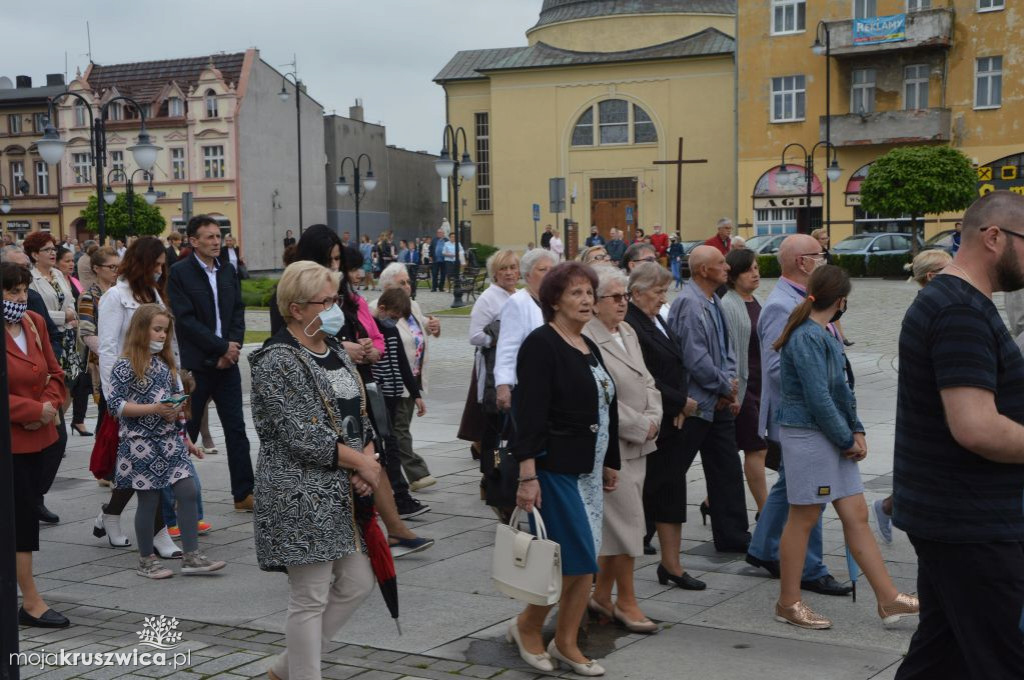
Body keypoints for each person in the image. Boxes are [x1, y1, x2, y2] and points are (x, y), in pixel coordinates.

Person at [893, 191, 1024, 678]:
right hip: (974, 524)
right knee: (1005, 661)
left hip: (953, 516)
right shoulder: (960, 310)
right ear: (994, 237)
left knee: (940, 657)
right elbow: (975, 426)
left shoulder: (953, 300)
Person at [250, 261, 379, 680]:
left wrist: (368, 459)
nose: (334, 307)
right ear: (297, 308)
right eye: (325, 301)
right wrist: (362, 464)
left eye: (335, 299)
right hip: (300, 494)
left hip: (341, 492)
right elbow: (302, 436)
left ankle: (285, 670)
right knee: (309, 597)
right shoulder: (276, 360)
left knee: (358, 582)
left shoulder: (335, 349)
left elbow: (359, 412)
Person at [773, 265, 917, 630]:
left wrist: (857, 430)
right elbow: (818, 396)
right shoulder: (808, 336)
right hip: (810, 437)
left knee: (856, 515)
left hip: (827, 435)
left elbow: (840, 391)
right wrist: (846, 438)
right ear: (840, 300)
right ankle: (788, 602)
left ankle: (888, 598)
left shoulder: (822, 331)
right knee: (803, 518)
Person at [510, 261, 619, 676]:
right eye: (576, 293)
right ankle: (532, 628)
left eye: (590, 292)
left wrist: (610, 463)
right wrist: (527, 474)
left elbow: (605, 407)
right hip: (555, 469)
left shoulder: (586, 343)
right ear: (553, 300)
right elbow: (529, 415)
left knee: (581, 559)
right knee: (576, 560)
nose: (587, 299)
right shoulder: (542, 343)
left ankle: (561, 639)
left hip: (589, 471)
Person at [744, 234, 851, 597]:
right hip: (799, 417)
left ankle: (762, 549)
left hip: (810, 412)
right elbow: (776, 368)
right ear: (803, 263)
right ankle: (810, 568)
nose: (824, 260)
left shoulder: (806, 299)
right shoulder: (781, 305)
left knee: (792, 486)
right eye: (819, 255)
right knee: (812, 489)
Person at [107, 304, 225, 578]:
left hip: (169, 441)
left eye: (165, 331)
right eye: (157, 329)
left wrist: (182, 431)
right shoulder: (125, 366)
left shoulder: (165, 365)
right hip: (141, 444)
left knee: (188, 492)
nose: (162, 336)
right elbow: (116, 405)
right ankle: (146, 560)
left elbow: (177, 403)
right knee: (149, 502)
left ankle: (192, 557)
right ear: (141, 330)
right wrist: (155, 409)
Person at [584, 267, 663, 632]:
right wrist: (638, 424)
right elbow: (600, 397)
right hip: (613, 448)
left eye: (625, 296)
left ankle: (602, 595)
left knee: (621, 528)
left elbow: (647, 380)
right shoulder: (586, 337)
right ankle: (626, 602)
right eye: (614, 297)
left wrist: (654, 417)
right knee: (628, 527)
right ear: (595, 303)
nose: (622, 303)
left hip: (641, 444)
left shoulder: (627, 330)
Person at [96, 237, 183, 556]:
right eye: (156, 264)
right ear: (140, 263)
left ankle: (118, 517)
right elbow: (107, 349)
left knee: (147, 467)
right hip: (130, 395)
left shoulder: (156, 294)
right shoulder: (115, 297)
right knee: (141, 467)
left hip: (160, 390)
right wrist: (112, 399)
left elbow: (169, 344)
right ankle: (149, 529)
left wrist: (178, 390)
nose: (160, 271)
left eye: (163, 265)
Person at [167, 215, 254, 512]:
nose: (216, 242)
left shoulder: (227, 271)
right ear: (193, 241)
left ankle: (243, 493)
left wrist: (233, 346)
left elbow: (238, 312)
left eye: (218, 236)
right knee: (187, 430)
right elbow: (186, 320)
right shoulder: (180, 273)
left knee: (237, 431)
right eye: (209, 237)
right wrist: (219, 348)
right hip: (198, 365)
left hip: (227, 364)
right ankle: (176, 495)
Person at [667, 246, 750, 552]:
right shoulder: (688, 303)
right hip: (697, 404)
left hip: (718, 400)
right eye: (720, 263)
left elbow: (727, 349)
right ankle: (645, 531)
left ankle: (734, 537)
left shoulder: (714, 299)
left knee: (727, 469)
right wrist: (722, 387)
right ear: (703, 270)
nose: (727, 267)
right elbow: (694, 357)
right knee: (673, 468)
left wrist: (728, 387)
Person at [870, 249, 953, 544]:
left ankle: (889, 507)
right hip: (930, 406)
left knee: (926, 469)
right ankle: (889, 507)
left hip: (932, 405)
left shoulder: (935, 304)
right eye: (949, 267)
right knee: (927, 468)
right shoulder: (929, 309)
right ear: (932, 277)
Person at [4, 261, 70, 629]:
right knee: (18, 517)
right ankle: (30, 600)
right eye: (10, 291)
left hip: (35, 437)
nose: (18, 297)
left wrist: (48, 407)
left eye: (22, 290)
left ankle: (29, 600)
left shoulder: (33, 322)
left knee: (26, 516)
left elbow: (55, 373)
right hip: (10, 440)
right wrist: (29, 409)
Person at [625, 263, 704, 570]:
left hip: (672, 419)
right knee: (653, 491)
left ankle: (672, 565)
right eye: (658, 291)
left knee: (671, 490)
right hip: (654, 419)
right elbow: (644, 377)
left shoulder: (656, 318)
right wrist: (680, 403)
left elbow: (677, 363)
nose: (662, 298)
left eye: (664, 291)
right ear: (636, 293)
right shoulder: (632, 324)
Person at [24, 232, 79, 524]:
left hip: (63, 346)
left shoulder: (58, 274)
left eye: (53, 248)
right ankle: (29, 498)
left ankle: (35, 496)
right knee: (50, 437)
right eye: (46, 249)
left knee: (57, 435)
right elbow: (43, 315)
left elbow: (70, 304)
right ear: (33, 254)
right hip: (49, 344)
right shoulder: (31, 282)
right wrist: (63, 317)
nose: (52, 253)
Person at [372, 263, 442, 493]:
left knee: (401, 428)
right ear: (387, 287)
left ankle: (395, 473)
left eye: (408, 282)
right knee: (399, 430)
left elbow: (419, 333)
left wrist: (433, 327)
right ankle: (416, 473)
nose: (407, 286)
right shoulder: (376, 309)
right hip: (394, 380)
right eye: (401, 283)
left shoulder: (413, 305)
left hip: (414, 377)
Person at [466, 249, 521, 513]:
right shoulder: (488, 299)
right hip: (494, 376)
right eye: (503, 269)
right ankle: (494, 482)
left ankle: (503, 482)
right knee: (496, 435)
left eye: (513, 267)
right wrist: (500, 338)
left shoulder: (518, 296)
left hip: (517, 373)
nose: (509, 273)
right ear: (495, 273)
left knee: (510, 433)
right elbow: (475, 335)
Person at [720, 248, 768, 514]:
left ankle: (710, 502)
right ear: (734, 274)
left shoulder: (757, 300)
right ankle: (765, 510)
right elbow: (728, 350)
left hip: (761, 382)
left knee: (754, 445)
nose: (755, 273)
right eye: (749, 268)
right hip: (743, 383)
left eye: (757, 267)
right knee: (756, 447)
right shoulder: (728, 303)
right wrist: (732, 390)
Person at [494, 249, 558, 412]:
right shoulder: (518, 302)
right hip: (528, 382)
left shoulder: (556, 302)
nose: (549, 274)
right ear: (527, 275)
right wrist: (503, 384)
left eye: (552, 270)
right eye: (543, 269)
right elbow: (507, 346)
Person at [77, 246, 119, 443]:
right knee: (106, 412)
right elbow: (86, 333)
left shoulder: (121, 291)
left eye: (118, 266)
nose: (116, 271)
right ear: (96, 268)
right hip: (103, 362)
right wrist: (110, 354)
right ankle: (103, 459)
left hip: (125, 358)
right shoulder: (89, 296)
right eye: (111, 267)